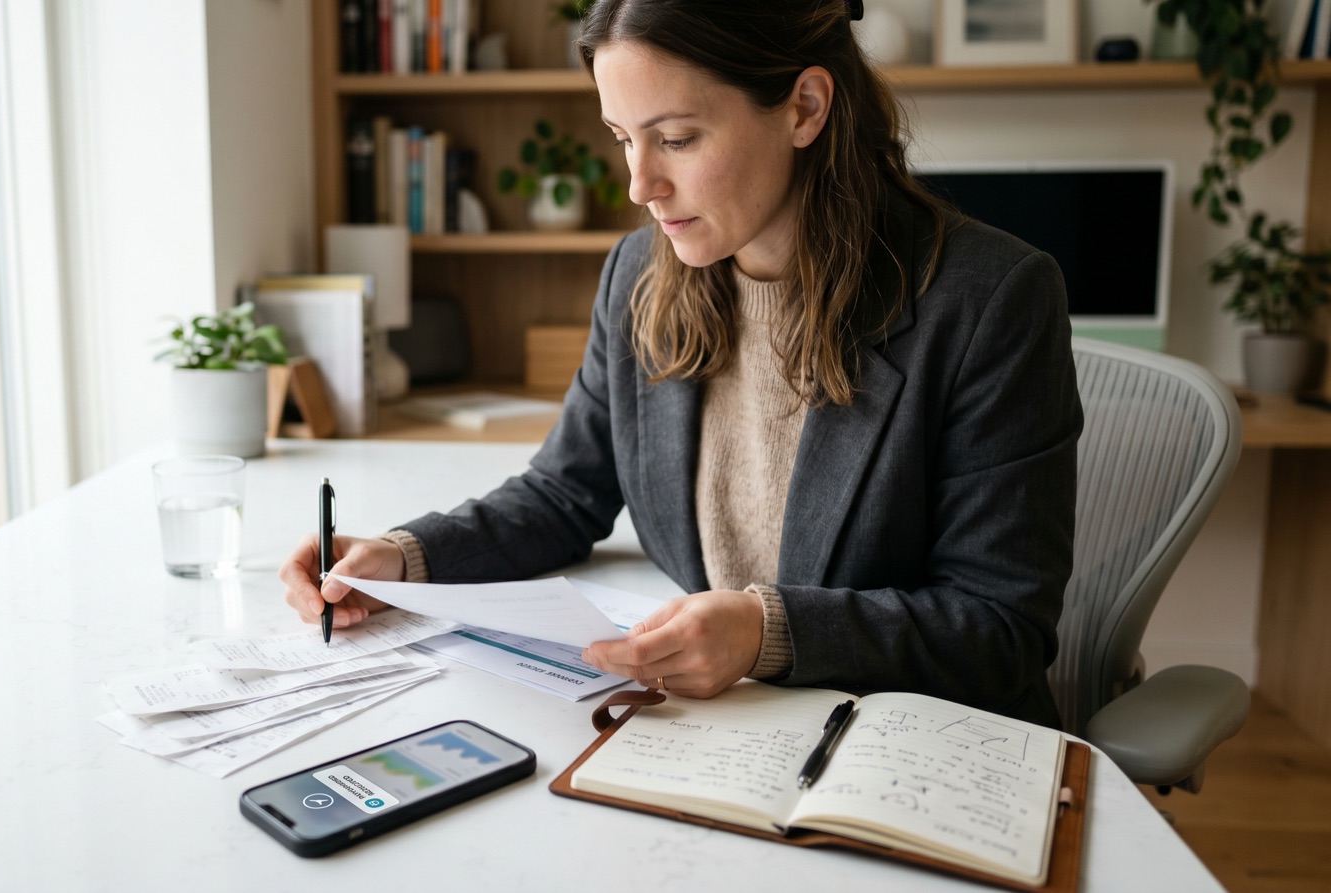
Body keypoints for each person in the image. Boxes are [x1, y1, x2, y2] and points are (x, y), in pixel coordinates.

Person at [282, 0, 1082, 728]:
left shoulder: (991, 299)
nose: (640, 184)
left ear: (805, 107)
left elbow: (999, 626)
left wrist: (767, 631)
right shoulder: (640, 273)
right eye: (624, 138)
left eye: (676, 138)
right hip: (730, 727)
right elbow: (565, 491)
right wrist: (404, 560)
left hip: (910, 746)